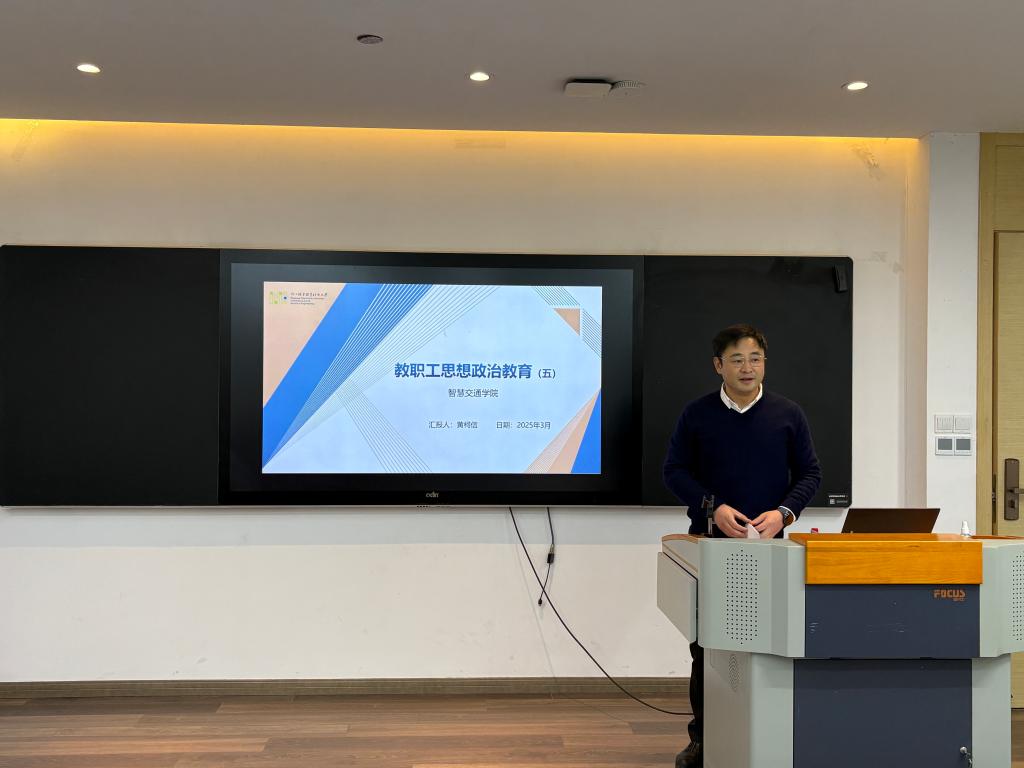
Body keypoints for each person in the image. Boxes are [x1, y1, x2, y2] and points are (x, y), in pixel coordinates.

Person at [662, 323, 821, 768]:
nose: (747, 367)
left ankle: (765, 737)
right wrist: (712, 507)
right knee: (707, 648)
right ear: (719, 366)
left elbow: (810, 473)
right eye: (737, 360)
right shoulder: (697, 414)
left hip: (770, 551)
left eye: (755, 358)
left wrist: (783, 513)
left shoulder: (788, 414)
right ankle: (703, 740)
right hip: (711, 546)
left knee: (769, 645)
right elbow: (674, 471)